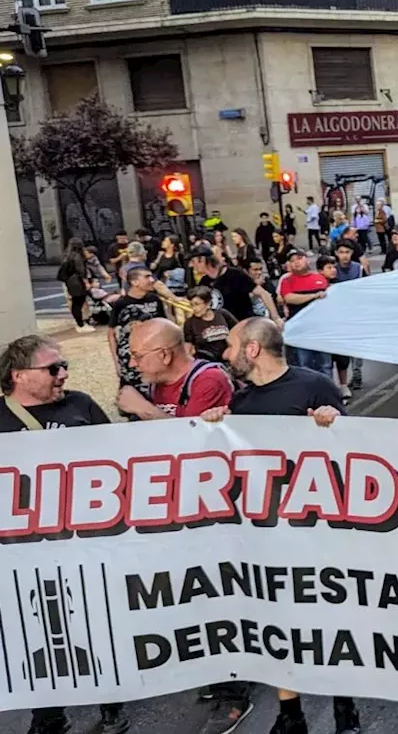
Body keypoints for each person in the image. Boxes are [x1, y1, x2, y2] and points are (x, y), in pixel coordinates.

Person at [199, 319, 355, 734]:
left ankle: (345, 709)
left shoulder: (315, 385)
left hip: (319, 529)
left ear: (252, 349)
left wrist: (333, 420)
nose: (226, 356)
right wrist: (215, 425)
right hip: (267, 531)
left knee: (331, 621)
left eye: (231, 347)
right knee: (274, 619)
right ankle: (291, 714)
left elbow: (357, 448)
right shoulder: (242, 402)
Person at [0, 337, 127, 734]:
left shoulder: (81, 404)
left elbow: (125, 458)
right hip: (23, 551)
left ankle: (110, 702)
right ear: (19, 376)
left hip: (87, 542)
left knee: (96, 621)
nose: (64, 374)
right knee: (32, 628)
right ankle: (48, 716)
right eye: (53, 368)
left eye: (65, 365)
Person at [117, 319, 234, 420]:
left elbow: (193, 437)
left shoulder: (209, 380)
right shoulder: (157, 379)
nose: (132, 364)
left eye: (138, 356)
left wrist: (143, 409)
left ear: (165, 355)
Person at [277, 249, 333, 377]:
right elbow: (289, 298)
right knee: (305, 365)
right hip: (301, 330)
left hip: (321, 329)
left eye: (299, 259)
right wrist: (314, 296)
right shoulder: (287, 281)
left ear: (306, 259)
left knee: (325, 364)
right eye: (292, 261)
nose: (296, 262)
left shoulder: (320, 278)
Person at [56, 238, 94, 333]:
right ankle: (81, 324)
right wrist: (86, 282)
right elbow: (81, 271)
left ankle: (79, 322)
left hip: (69, 281)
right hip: (77, 282)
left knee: (75, 303)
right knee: (79, 302)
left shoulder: (67, 255)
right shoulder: (77, 256)